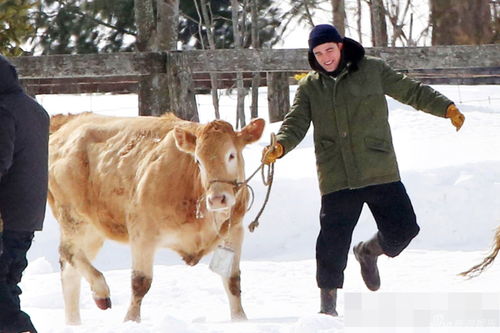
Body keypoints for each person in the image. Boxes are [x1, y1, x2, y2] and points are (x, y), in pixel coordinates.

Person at [262, 24, 465, 316]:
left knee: (404, 229)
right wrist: (280, 146)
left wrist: (446, 108)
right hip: (337, 175)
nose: (325, 57)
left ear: (341, 46)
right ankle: (327, 308)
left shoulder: (372, 69)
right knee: (332, 244)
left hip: (377, 166)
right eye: (318, 53)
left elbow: (412, 91)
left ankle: (369, 251)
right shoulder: (309, 87)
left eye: (329, 49)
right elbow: (295, 123)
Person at [0, 55, 50, 333]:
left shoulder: (3, 110)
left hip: (4, 216)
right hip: (26, 216)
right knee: (7, 285)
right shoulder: (33, 109)